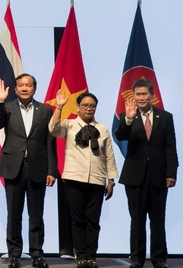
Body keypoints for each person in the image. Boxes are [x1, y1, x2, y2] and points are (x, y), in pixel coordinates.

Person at [0, 75, 58, 268]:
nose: (25, 88)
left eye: (28, 85)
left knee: (36, 214)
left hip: (37, 167)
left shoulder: (45, 110)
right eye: (21, 85)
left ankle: (37, 254)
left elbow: (50, 142)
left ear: (34, 89)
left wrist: (52, 170)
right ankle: (14, 255)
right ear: (16, 89)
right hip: (13, 167)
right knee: (14, 214)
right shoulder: (8, 107)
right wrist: (0, 101)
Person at [49, 90, 118, 268]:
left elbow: (108, 156)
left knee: (93, 221)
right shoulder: (70, 125)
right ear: (78, 107)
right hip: (74, 179)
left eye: (92, 106)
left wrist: (111, 180)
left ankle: (91, 256)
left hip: (96, 179)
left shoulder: (102, 128)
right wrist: (59, 107)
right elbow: (53, 129)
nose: (89, 108)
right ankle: (81, 256)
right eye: (85, 105)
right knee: (78, 220)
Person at [114, 78, 178, 268]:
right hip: (134, 177)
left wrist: (171, 173)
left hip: (158, 176)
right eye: (138, 94)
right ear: (133, 96)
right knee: (137, 219)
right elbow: (120, 136)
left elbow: (170, 147)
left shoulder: (165, 117)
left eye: (144, 94)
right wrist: (127, 118)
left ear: (152, 95)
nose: (141, 98)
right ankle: (137, 259)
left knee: (158, 219)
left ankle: (159, 259)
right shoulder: (128, 116)